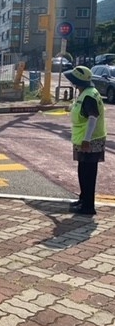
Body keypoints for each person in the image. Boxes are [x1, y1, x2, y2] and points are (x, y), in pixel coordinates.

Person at [64, 66, 107, 216]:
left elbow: (93, 118)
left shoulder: (89, 96)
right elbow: (82, 109)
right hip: (84, 139)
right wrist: (71, 107)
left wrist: (87, 140)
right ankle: (83, 200)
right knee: (83, 171)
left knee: (88, 173)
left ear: (78, 82)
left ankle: (88, 206)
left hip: (90, 140)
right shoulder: (86, 93)